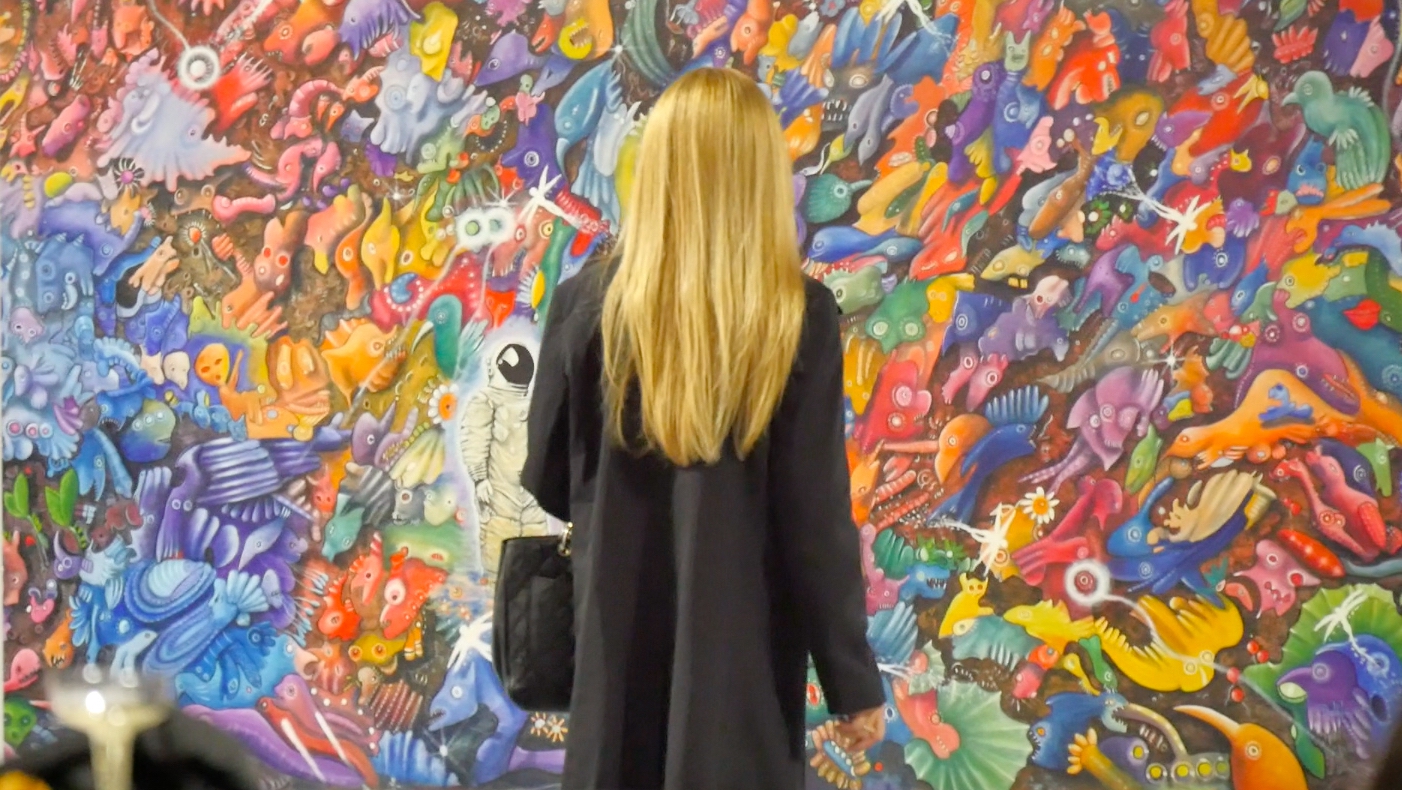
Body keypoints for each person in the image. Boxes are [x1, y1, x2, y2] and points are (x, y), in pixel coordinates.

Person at [521, 67, 886, 790]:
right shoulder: (796, 316)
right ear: (758, 173)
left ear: (656, 166)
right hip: (741, 680)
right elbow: (814, 524)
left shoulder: (584, 306)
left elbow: (548, 479)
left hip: (613, 665)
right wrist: (851, 681)